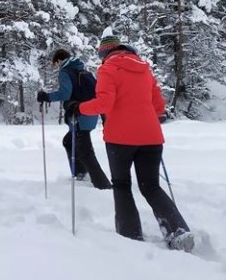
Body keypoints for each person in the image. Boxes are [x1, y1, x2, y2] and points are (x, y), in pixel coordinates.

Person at [67, 35, 194, 252]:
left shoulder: (107, 69)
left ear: (105, 53)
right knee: (151, 186)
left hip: (120, 139)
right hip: (151, 137)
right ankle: (178, 231)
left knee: (122, 185)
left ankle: (130, 235)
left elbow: (105, 104)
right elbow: (159, 106)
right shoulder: (144, 68)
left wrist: (78, 108)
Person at [37, 48, 111, 190]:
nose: (57, 66)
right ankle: (81, 174)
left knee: (86, 151)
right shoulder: (83, 71)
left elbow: (65, 94)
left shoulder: (65, 72)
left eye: (56, 64)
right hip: (90, 113)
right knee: (69, 141)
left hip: (79, 116)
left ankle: (103, 185)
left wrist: (47, 97)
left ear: (58, 60)